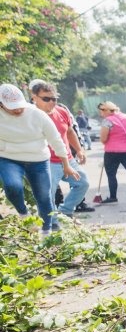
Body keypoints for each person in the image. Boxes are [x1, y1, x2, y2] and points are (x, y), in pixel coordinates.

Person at [0, 84, 78, 235]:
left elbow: (56, 140)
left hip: (38, 159)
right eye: (12, 107)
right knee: (12, 186)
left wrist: (66, 164)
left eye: (19, 106)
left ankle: (46, 232)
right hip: (8, 157)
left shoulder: (37, 114)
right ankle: (24, 214)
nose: (18, 109)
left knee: (44, 196)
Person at [29, 81, 93, 227]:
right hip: (46, 162)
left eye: (54, 99)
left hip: (68, 160)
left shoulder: (62, 111)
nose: (51, 102)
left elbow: (70, 131)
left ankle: (65, 211)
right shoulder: (31, 116)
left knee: (83, 183)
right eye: (46, 99)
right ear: (34, 98)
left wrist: (79, 150)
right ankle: (53, 226)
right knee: (48, 196)